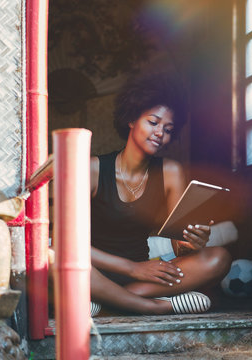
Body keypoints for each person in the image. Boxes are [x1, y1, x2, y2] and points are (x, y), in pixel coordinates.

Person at [89, 74, 232, 315]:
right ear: (132, 119)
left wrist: (193, 240)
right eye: (153, 122)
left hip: (146, 276)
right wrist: (132, 268)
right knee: (53, 258)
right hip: (94, 269)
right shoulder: (91, 169)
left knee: (218, 258)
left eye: (168, 129)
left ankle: (104, 303)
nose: (160, 133)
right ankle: (156, 306)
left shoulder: (171, 171)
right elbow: (69, 247)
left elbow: (180, 243)